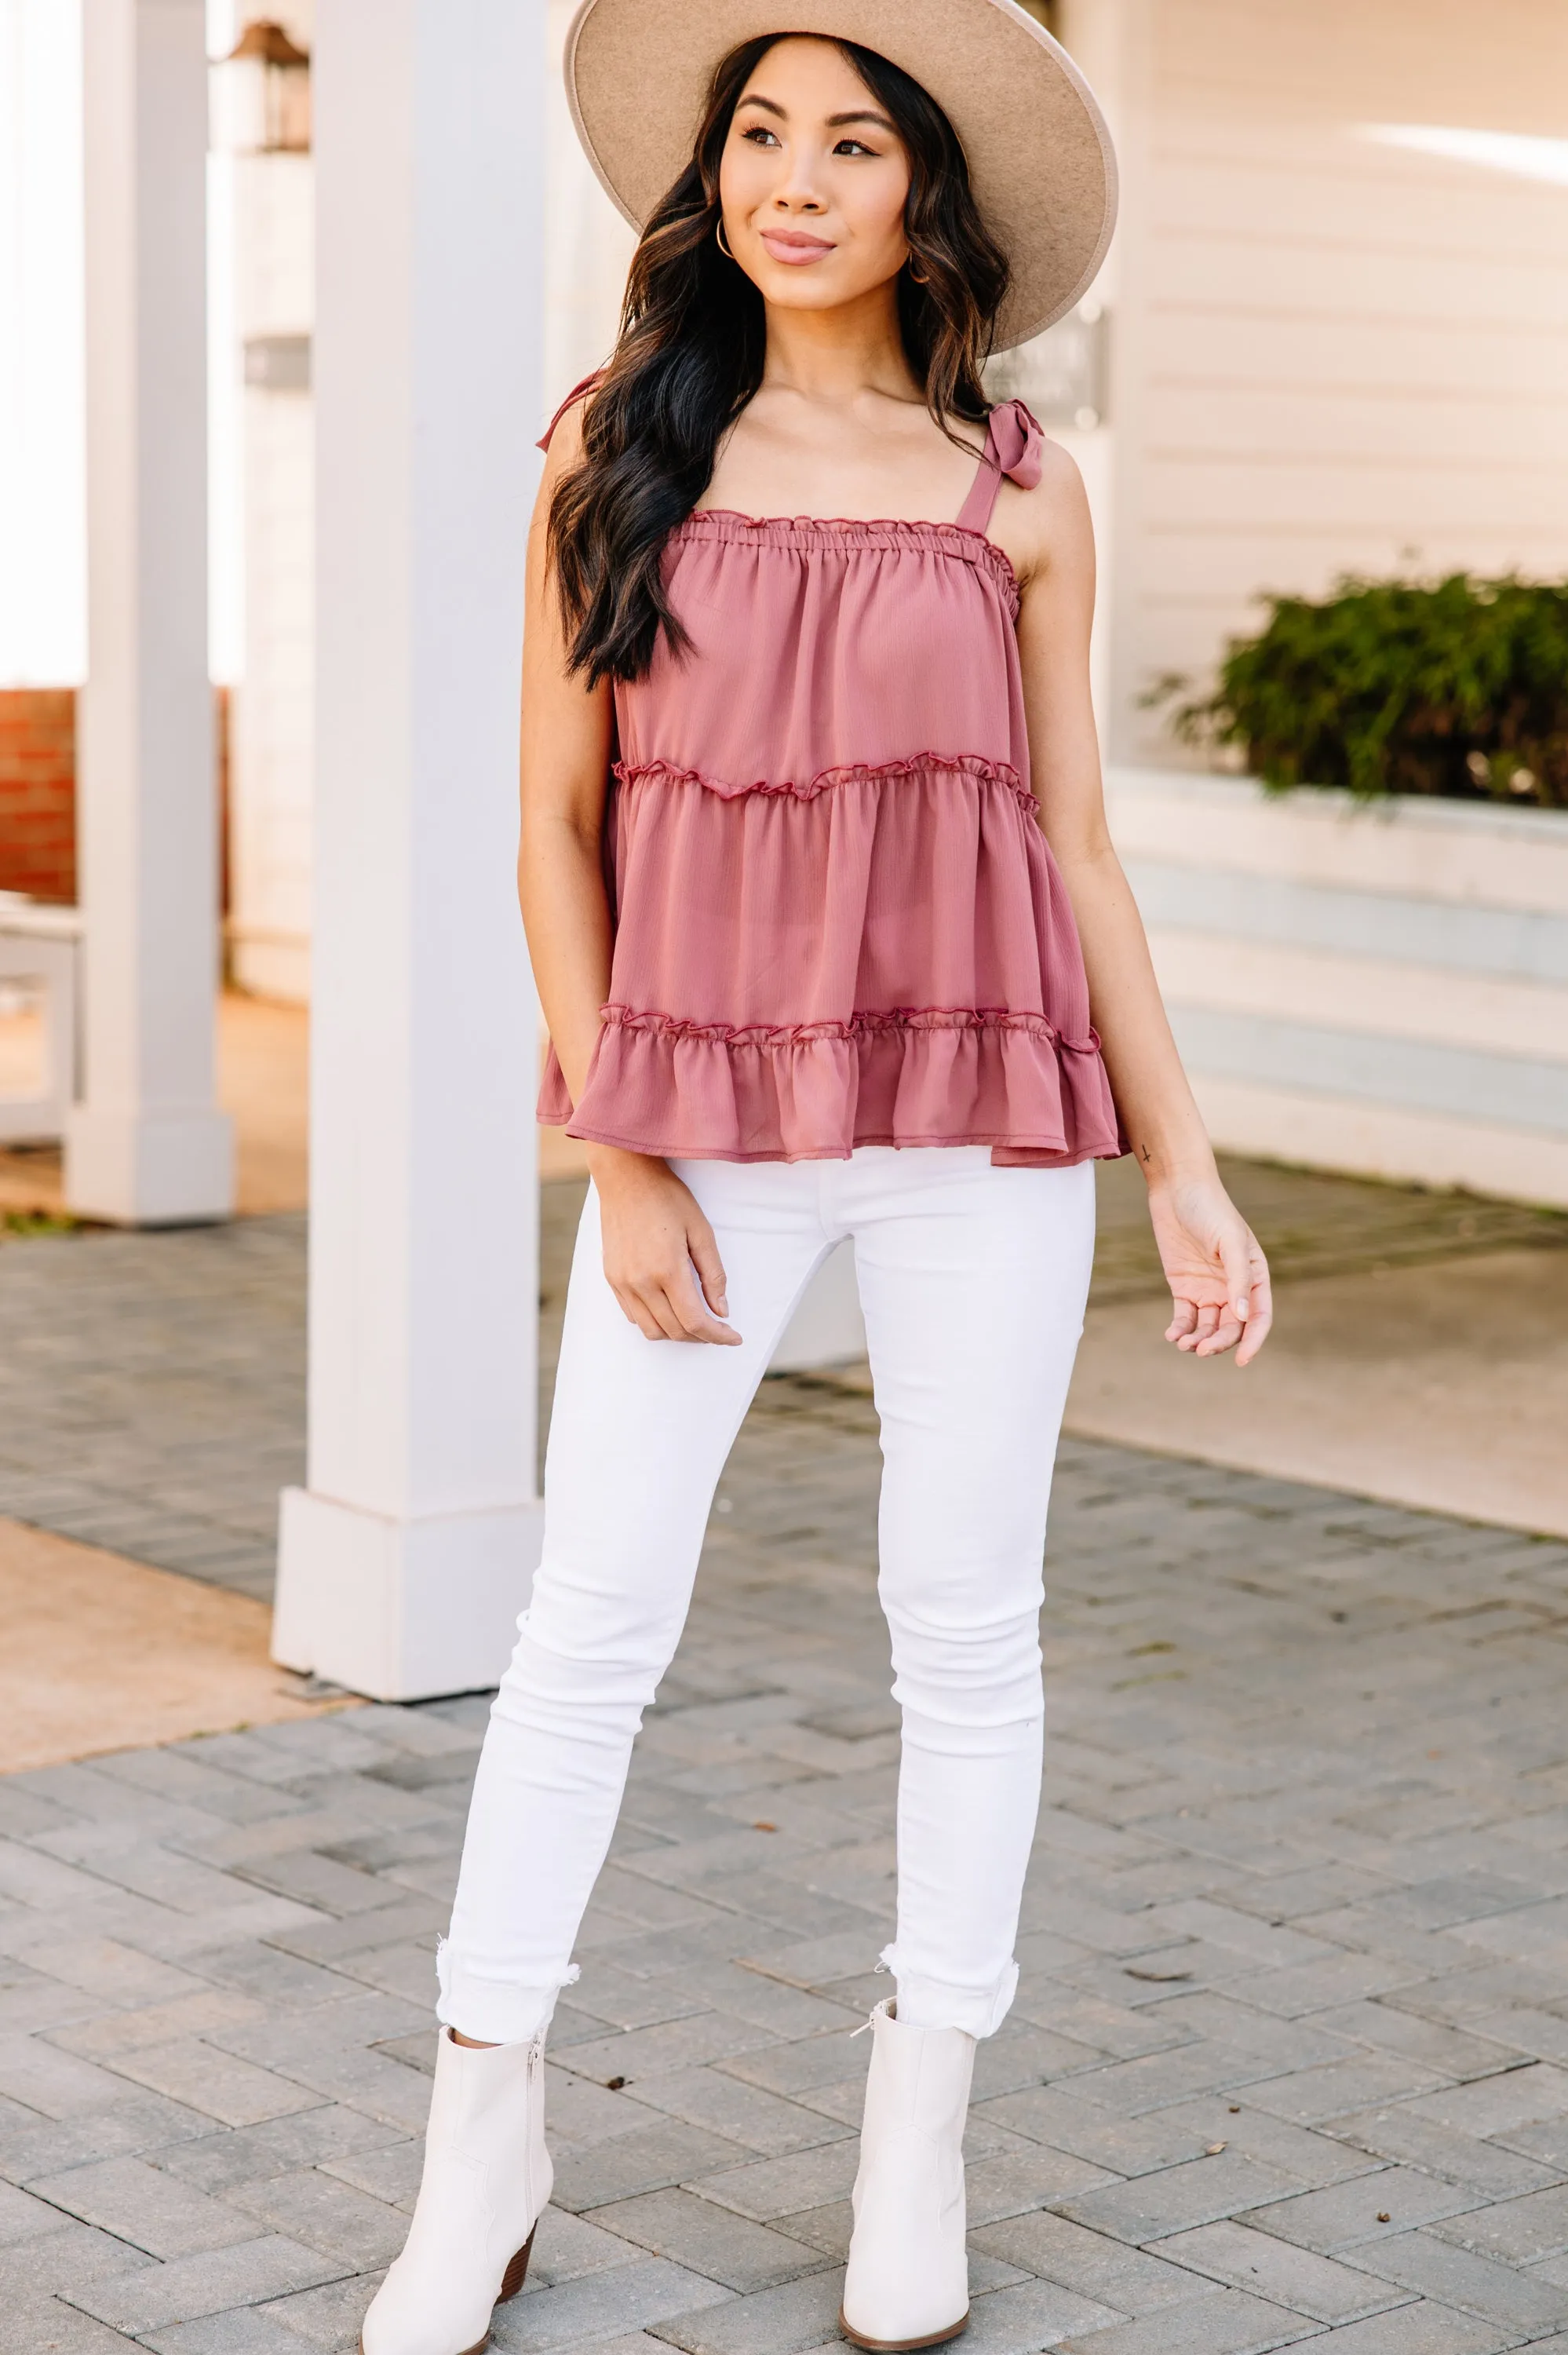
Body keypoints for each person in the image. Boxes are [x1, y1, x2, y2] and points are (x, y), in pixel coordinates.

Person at [361, 6, 1272, 2351]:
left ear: (923, 196)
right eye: (758, 135)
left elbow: (1078, 846)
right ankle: (481, 2128)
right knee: (587, 1635)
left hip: (981, 1140)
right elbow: (554, 836)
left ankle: (919, 2118)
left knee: (967, 1638)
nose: (791, 179)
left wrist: (1184, 1164)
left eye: (848, 144)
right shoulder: (613, 448)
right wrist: (621, 1142)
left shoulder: (1023, 488)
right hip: (702, 1143)